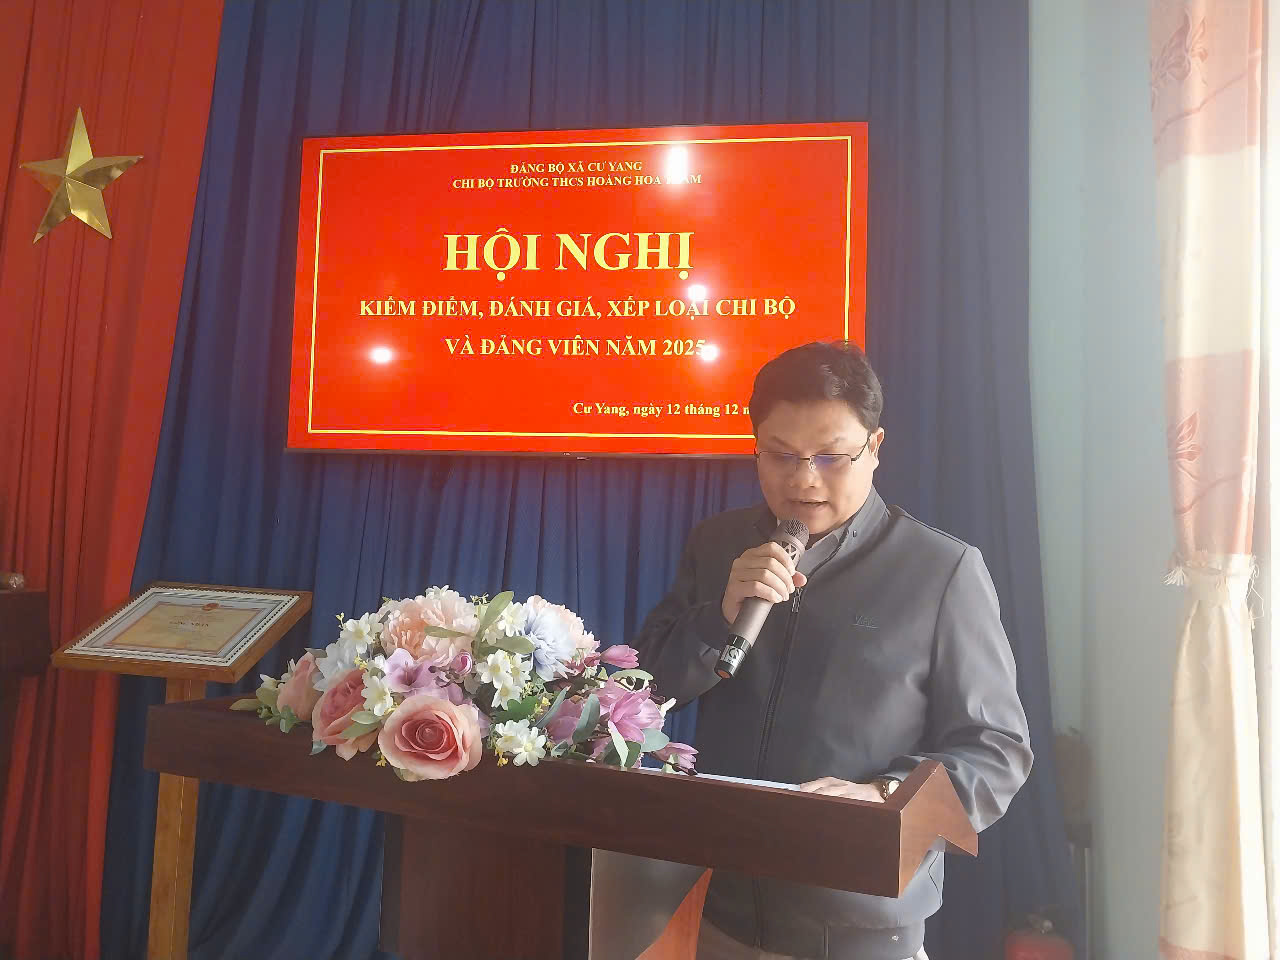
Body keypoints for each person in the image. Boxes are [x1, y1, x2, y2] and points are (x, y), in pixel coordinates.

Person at [633, 341, 1033, 960]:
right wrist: (719, 618)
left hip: (863, 927)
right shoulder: (718, 545)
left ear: (875, 448)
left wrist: (886, 796)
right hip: (723, 911)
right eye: (780, 455)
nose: (803, 479)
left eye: (831, 456)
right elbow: (642, 690)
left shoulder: (940, 569)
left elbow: (996, 750)